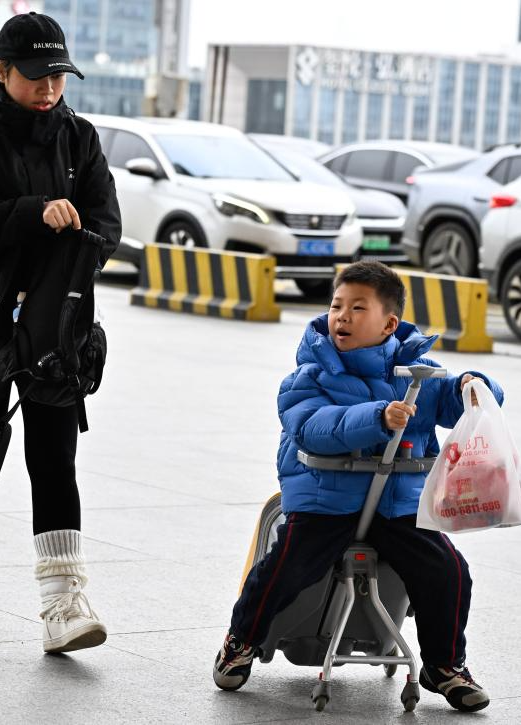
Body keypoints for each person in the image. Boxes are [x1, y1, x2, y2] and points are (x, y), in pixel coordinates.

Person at [212, 261, 503, 712]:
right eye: (336, 305)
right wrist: (377, 418)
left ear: (388, 323)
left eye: (356, 308)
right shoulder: (311, 374)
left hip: (396, 506)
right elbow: (312, 426)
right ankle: (242, 639)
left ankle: (445, 666)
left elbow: (454, 400)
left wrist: (475, 387)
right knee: (288, 562)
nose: (341, 316)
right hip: (327, 500)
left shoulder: (417, 373)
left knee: (448, 569)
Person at [0, 11, 121, 654]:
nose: (49, 89)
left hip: (56, 329)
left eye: (59, 76)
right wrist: (34, 214)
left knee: (54, 460)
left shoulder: (81, 139)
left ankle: (63, 603)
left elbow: (106, 226)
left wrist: (70, 255)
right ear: (0, 70)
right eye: (36, 76)